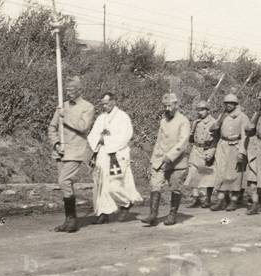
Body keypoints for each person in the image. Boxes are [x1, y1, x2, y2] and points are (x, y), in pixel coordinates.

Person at [48, 77, 96, 234]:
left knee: (63, 180)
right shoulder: (62, 107)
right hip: (60, 151)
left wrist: (66, 116)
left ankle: (72, 220)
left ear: (79, 90)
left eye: (72, 90)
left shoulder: (87, 107)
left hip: (75, 151)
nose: (68, 93)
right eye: (67, 90)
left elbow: (83, 127)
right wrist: (56, 143)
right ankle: (69, 220)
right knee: (66, 186)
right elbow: (52, 127)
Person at [86, 92, 141, 223]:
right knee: (100, 184)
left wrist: (105, 140)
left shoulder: (123, 117)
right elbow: (92, 135)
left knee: (114, 185)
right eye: (102, 104)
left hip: (117, 154)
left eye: (106, 103)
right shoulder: (101, 118)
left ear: (113, 102)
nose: (104, 106)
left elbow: (124, 137)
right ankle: (103, 213)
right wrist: (99, 139)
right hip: (102, 155)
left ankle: (126, 203)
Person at [144, 92, 190, 227]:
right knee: (155, 184)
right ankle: (153, 214)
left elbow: (183, 142)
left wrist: (170, 156)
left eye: (169, 106)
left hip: (176, 161)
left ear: (176, 105)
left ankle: (172, 214)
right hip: (160, 159)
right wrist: (154, 159)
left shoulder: (183, 121)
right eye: (164, 106)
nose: (167, 109)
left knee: (175, 187)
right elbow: (159, 141)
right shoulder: (163, 121)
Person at [209, 93, 251, 212]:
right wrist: (218, 122)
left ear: (235, 104)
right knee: (221, 173)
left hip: (236, 146)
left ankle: (233, 200)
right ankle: (221, 200)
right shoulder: (223, 116)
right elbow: (212, 129)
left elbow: (245, 136)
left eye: (231, 103)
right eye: (226, 103)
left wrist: (242, 152)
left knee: (235, 175)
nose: (228, 105)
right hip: (223, 146)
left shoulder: (242, 117)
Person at [186, 99, 218, 208]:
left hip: (207, 149)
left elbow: (216, 140)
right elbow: (191, 138)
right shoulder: (196, 122)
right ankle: (196, 198)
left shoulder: (213, 122)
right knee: (193, 172)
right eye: (198, 110)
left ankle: (207, 199)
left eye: (203, 110)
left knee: (208, 174)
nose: (200, 112)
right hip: (196, 149)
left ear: (208, 110)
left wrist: (211, 152)